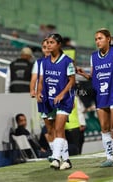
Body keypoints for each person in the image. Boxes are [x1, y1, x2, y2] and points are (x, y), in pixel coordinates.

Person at [77, 28, 113, 167]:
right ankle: (110, 158)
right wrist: (84, 74)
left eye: (100, 38)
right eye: (96, 39)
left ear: (108, 39)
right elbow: (94, 76)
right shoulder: (93, 56)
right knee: (104, 128)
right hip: (100, 94)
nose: (97, 41)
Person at [37, 33, 75, 170]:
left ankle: (56, 157)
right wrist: (39, 92)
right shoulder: (45, 62)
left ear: (59, 45)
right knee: (55, 131)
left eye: (51, 42)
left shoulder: (67, 61)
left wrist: (62, 94)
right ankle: (66, 160)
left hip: (64, 99)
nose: (48, 45)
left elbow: (72, 80)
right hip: (49, 99)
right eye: (47, 42)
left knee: (59, 128)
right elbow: (41, 80)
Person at [30, 38, 55, 155]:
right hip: (43, 98)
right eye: (44, 47)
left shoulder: (59, 61)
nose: (47, 49)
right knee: (49, 128)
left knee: (57, 127)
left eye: (49, 46)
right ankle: (55, 152)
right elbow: (34, 78)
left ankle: (60, 153)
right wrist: (32, 90)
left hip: (56, 98)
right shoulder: (39, 63)